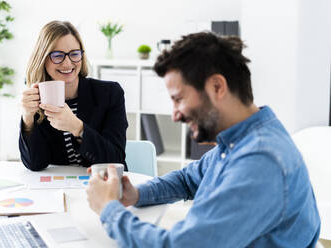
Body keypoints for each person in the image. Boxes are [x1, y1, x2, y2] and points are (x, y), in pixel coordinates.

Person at [86, 32, 320, 247]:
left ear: (217, 87)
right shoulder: (240, 140)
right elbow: (188, 179)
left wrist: (109, 209)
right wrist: (136, 194)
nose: (175, 114)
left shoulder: (260, 160)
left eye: (178, 99)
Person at [19, 21, 128, 171]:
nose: (68, 63)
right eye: (58, 56)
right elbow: (35, 164)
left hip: (103, 185)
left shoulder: (110, 93)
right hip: (58, 188)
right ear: (42, 59)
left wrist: (77, 127)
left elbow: (116, 160)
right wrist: (27, 119)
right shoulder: (39, 98)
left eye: (74, 54)